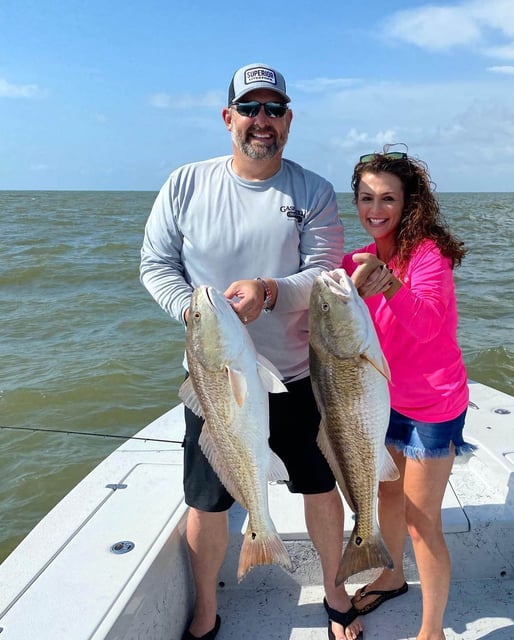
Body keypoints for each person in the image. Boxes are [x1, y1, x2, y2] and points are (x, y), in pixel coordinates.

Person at [140, 63, 363, 640]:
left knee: (320, 484)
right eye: (250, 108)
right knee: (208, 498)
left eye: (274, 109)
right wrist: (192, 312)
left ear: (288, 121)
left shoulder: (311, 190)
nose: (261, 121)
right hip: (215, 378)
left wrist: (269, 292)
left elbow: (324, 277)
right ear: (227, 117)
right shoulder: (186, 184)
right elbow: (155, 266)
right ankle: (207, 607)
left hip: (294, 373)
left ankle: (334, 587)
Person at [341, 146, 475, 640]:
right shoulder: (357, 259)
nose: (375, 210)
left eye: (387, 199)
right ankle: (393, 576)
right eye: (366, 198)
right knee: (386, 495)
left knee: (422, 521)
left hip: (434, 406)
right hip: (386, 402)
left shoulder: (427, 255)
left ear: (408, 203)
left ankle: (432, 630)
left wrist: (389, 286)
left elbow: (426, 324)